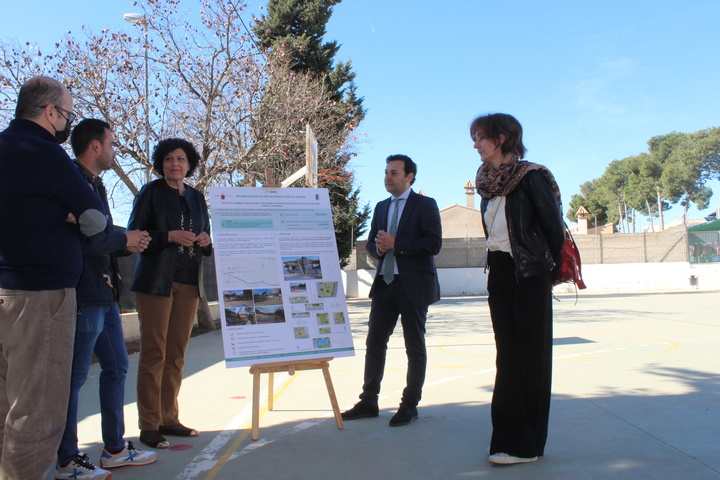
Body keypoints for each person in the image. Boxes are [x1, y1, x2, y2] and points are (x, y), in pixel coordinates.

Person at [0, 76, 107, 479]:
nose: (66, 123)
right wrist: (69, 217)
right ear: (50, 112)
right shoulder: (45, 153)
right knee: (36, 412)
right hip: (39, 297)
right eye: (67, 114)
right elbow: (95, 219)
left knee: (5, 409)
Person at [54, 119, 157, 479]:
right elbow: (80, 239)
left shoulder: (94, 183)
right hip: (84, 295)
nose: (115, 150)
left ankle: (114, 449)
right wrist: (122, 239)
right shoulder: (71, 181)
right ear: (96, 146)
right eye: (111, 143)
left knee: (116, 367)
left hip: (106, 293)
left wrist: (128, 239)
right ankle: (66, 460)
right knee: (74, 378)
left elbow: (98, 234)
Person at [470, 113, 565, 465]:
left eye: (481, 137)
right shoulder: (486, 184)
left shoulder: (531, 177)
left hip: (530, 272)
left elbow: (553, 228)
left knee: (530, 356)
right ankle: (505, 440)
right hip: (500, 271)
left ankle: (527, 446)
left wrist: (544, 270)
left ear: (503, 138)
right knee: (506, 356)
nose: (475, 144)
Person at [341, 154, 442, 427]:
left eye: (394, 173)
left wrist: (397, 243)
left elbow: (433, 245)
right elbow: (374, 244)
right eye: (386, 172)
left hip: (414, 286)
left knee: (414, 347)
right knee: (374, 343)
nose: (388, 177)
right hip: (385, 285)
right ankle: (368, 401)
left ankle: (410, 405)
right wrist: (379, 248)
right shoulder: (380, 207)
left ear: (409, 177)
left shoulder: (425, 205)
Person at [128, 138, 212, 449]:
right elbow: (134, 233)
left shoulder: (198, 198)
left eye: (180, 158)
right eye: (168, 159)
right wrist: (169, 236)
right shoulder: (150, 192)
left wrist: (205, 239)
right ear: (160, 163)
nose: (174, 163)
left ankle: (169, 418)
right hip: (155, 283)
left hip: (189, 284)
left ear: (189, 164)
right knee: (154, 354)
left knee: (176, 355)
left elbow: (208, 240)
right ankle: (149, 424)